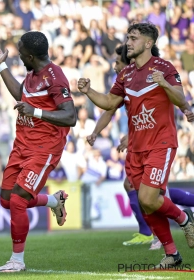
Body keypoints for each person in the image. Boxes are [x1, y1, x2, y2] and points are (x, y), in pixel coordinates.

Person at [78, 22, 194, 267]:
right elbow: (110, 103)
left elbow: (180, 98)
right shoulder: (126, 74)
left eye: (133, 38)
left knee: (149, 197)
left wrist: (163, 83)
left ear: (148, 43)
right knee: (144, 201)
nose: (128, 42)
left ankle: (185, 218)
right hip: (136, 148)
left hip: (160, 143)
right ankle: (172, 254)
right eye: (128, 37)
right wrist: (89, 92)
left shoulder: (164, 67)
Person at [0, 31, 76, 272]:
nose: (17, 55)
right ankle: (53, 201)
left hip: (44, 148)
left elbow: (70, 117)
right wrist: (2, 67)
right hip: (22, 144)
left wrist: (36, 112)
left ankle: (17, 261)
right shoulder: (32, 73)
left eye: (19, 52)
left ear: (29, 55)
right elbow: (22, 96)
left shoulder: (55, 76)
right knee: (6, 201)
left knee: (18, 200)